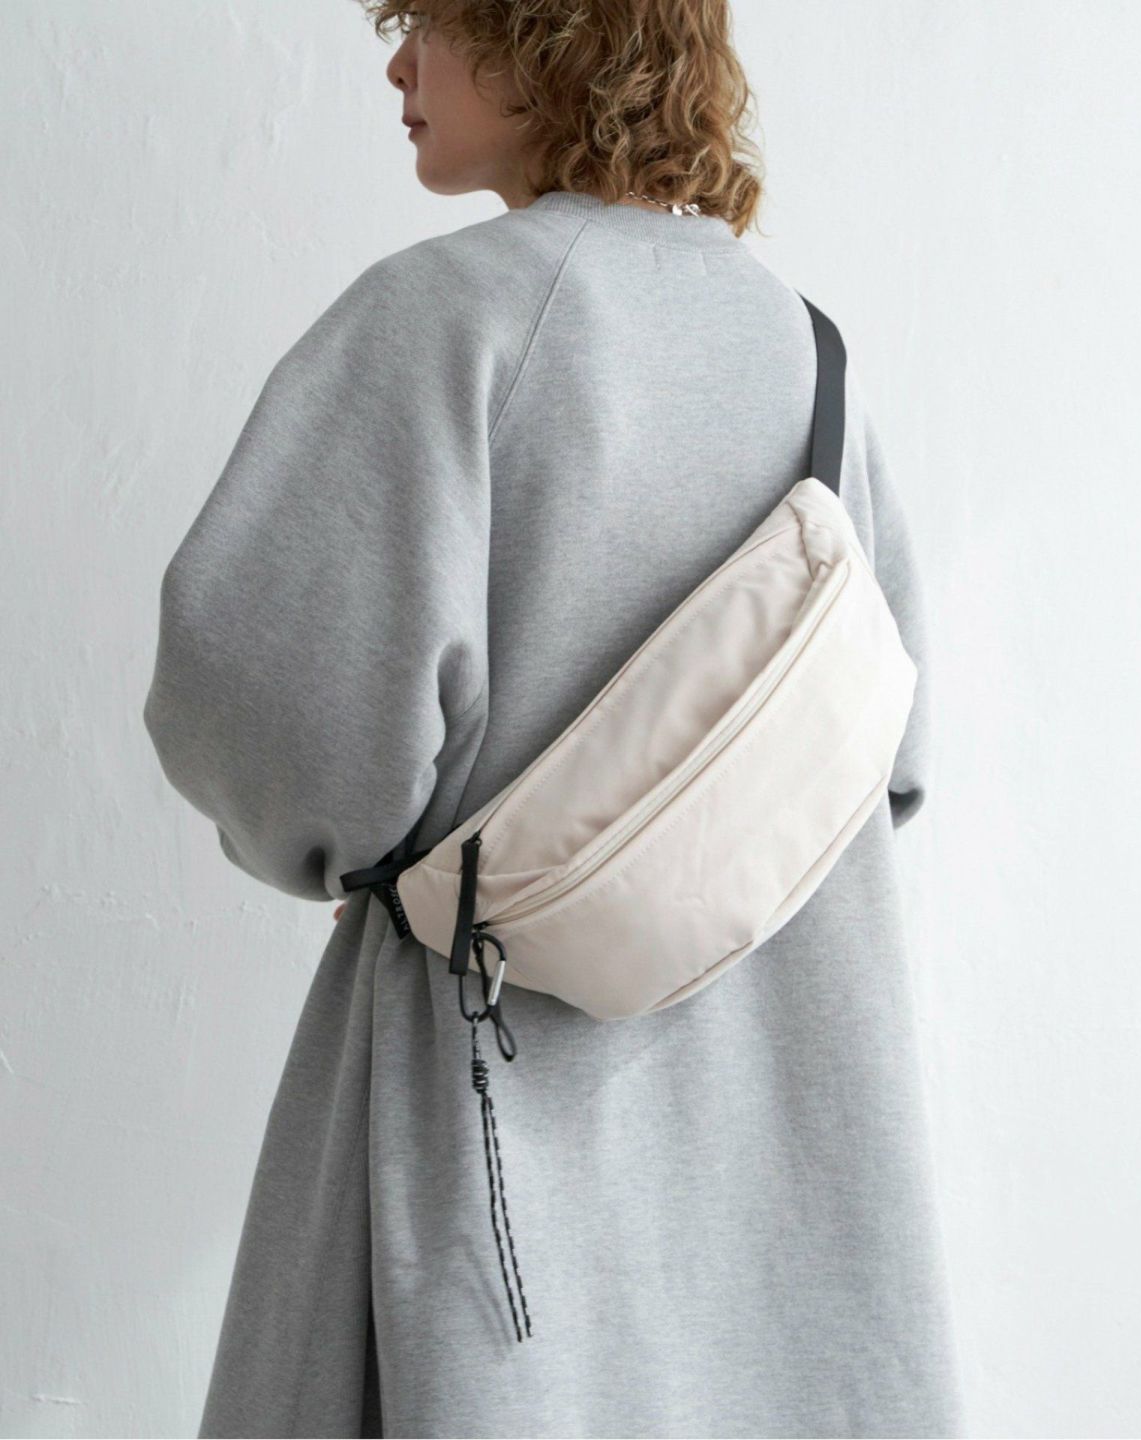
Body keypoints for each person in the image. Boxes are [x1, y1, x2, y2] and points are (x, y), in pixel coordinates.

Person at [142, 2, 965, 1435]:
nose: (400, 64)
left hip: (489, 1120)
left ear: (550, 38)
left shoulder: (441, 324)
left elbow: (267, 711)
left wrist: (358, 844)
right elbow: (887, 762)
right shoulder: (810, 357)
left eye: (434, 23)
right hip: (793, 1143)